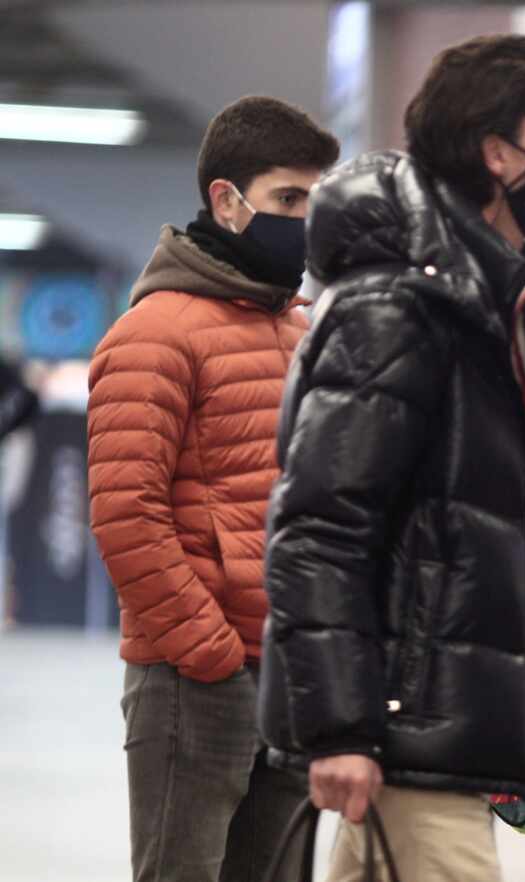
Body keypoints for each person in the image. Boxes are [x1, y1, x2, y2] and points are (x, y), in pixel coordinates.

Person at [256, 35, 525, 882]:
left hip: (438, 721)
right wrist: (341, 729)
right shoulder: (399, 312)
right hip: (406, 720)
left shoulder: (512, 308)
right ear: (497, 152)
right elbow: (321, 531)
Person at [86, 96, 338, 882]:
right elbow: (127, 517)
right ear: (226, 202)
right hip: (196, 681)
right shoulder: (152, 334)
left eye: (313, 202)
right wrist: (210, 657)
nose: (304, 221)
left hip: (288, 676)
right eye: (287, 200)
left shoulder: (296, 332)